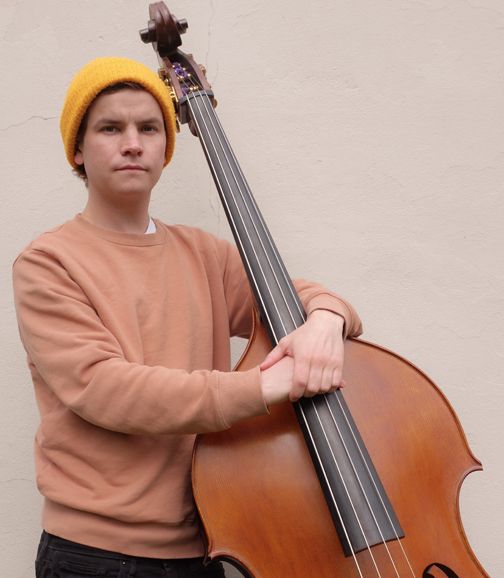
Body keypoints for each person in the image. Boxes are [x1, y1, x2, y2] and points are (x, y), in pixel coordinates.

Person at [12, 57, 362, 578]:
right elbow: (106, 389)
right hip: (95, 557)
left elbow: (302, 297)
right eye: (111, 128)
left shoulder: (204, 254)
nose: (133, 143)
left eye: (149, 128)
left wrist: (327, 322)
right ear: (78, 149)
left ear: (165, 148)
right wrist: (266, 385)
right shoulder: (48, 262)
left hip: (209, 546)